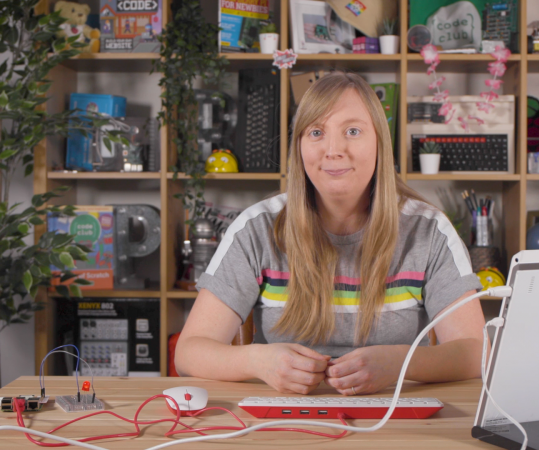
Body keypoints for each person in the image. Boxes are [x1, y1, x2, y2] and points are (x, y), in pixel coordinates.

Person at [175, 71, 487, 396]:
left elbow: (477, 351)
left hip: (393, 416)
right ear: (299, 146)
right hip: (283, 423)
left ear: (380, 141)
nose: (333, 150)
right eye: (316, 132)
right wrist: (257, 361)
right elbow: (188, 353)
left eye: (353, 131)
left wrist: (399, 363)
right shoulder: (256, 228)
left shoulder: (430, 230)